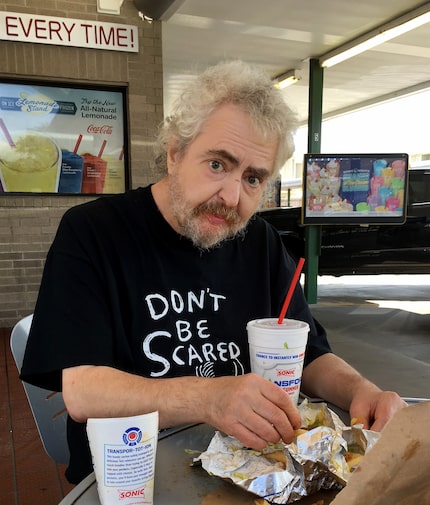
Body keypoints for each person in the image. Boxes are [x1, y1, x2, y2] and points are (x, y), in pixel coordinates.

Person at [21, 60, 407, 485]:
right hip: (132, 479)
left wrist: (361, 391)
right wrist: (209, 398)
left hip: (255, 473)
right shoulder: (93, 232)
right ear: (174, 152)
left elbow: (308, 353)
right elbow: (83, 392)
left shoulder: (260, 242)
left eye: (253, 178)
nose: (231, 196)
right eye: (218, 164)